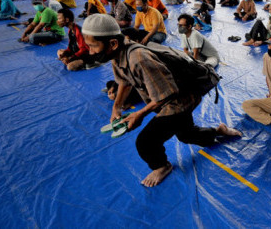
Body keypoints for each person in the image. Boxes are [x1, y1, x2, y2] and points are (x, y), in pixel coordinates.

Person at [81, 14, 241, 187]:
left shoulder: (139, 58)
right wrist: (116, 108)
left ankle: (162, 166)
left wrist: (139, 114)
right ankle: (219, 131)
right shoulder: (116, 55)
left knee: (145, 142)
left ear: (112, 43)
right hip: (168, 98)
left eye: (93, 46)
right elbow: (124, 81)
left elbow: (167, 94)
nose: (90, 51)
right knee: (186, 134)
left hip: (178, 101)